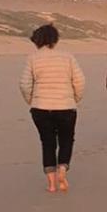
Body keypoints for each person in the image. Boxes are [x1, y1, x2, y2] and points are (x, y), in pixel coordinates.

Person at [19, 24, 86, 193]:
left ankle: (51, 184)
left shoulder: (33, 58)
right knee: (66, 140)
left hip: (40, 108)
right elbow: (80, 81)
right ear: (55, 39)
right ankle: (62, 169)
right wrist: (75, 99)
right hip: (66, 107)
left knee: (47, 143)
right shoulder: (68, 57)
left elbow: (24, 84)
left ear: (36, 40)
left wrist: (32, 100)